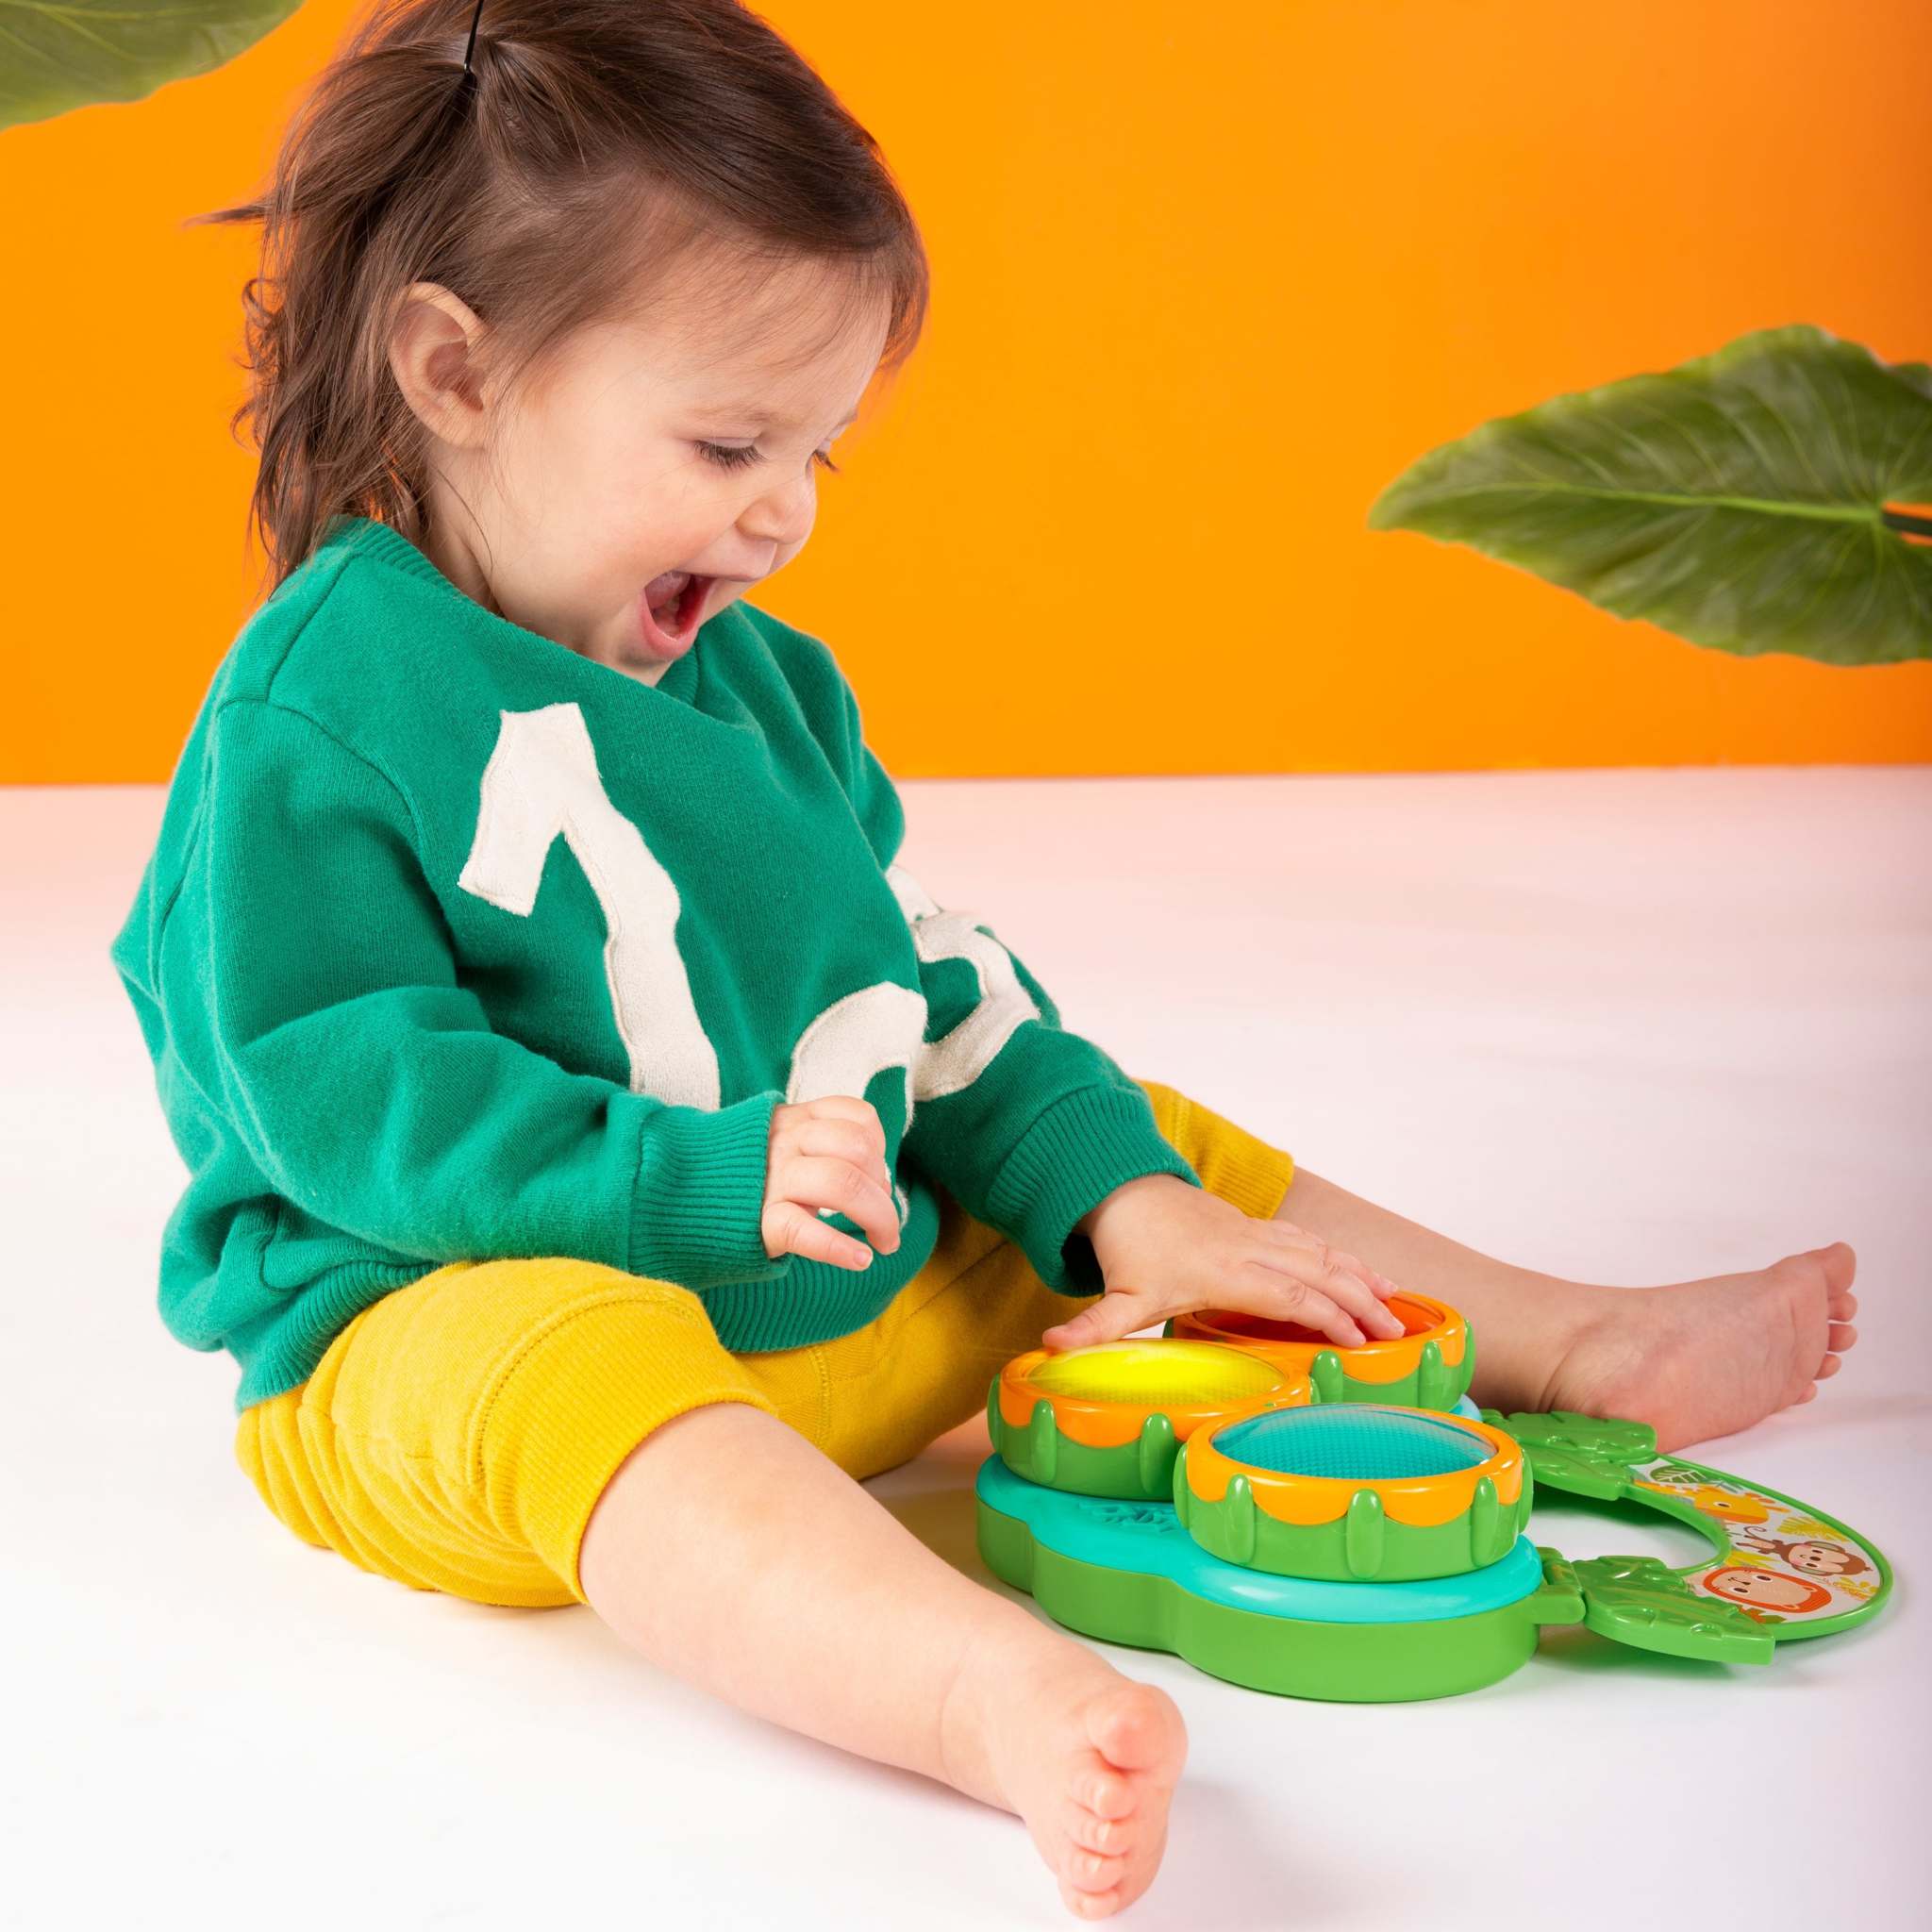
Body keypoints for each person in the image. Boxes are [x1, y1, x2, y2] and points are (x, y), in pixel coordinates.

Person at [107, 2, 1859, 1917]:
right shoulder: (320, 711)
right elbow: (349, 1089)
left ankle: (1562, 1338)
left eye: (817, 456)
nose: (780, 515)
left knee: (1118, 1142)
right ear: (452, 369)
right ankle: (978, 1690)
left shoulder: (755, 691)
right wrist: (684, 1181)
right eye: (726, 442)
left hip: (816, 1315)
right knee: (552, 1354)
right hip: (444, 1342)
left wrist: (1117, 1207)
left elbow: (921, 995)